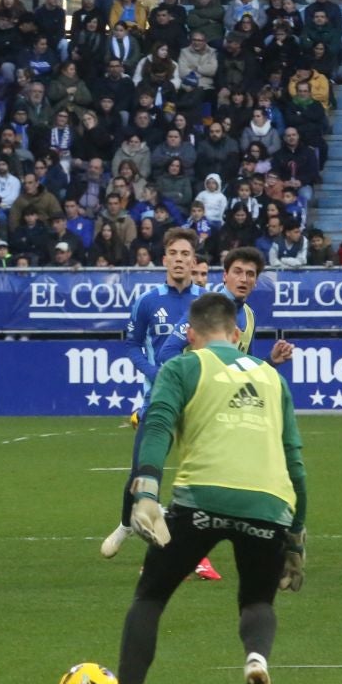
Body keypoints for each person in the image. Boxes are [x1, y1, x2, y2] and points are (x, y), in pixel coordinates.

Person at [83, 293, 308, 684]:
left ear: (190, 334)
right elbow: (294, 460)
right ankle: (256, 661)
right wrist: (297, 536)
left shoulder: (183, 366)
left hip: (201, 499)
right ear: (238, 333)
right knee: (258, 600)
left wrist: (146, 490)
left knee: (150, 596)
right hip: (268, 503)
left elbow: (158, 423)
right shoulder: (270, 375)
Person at [100, 229, 207, 569]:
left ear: (194, 261)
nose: (179, 259)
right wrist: (153, 372)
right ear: (164, 260)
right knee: (142, 472)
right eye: (173, 253)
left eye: (185, 253)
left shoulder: (206, 302)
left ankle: (175, 552)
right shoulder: (148, 301)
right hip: (157, 398)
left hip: (199, 402)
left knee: (202, 477)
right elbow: (131, 345)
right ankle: (125, 524)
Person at [217, 245, 296, 364]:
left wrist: (271, 360)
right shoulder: (206, 306)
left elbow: (246, 366)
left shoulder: (250, 315)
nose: (243, 279)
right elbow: (178, 347)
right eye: (237, 272)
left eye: (250, 274)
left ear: (255, 282)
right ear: (225, 276)